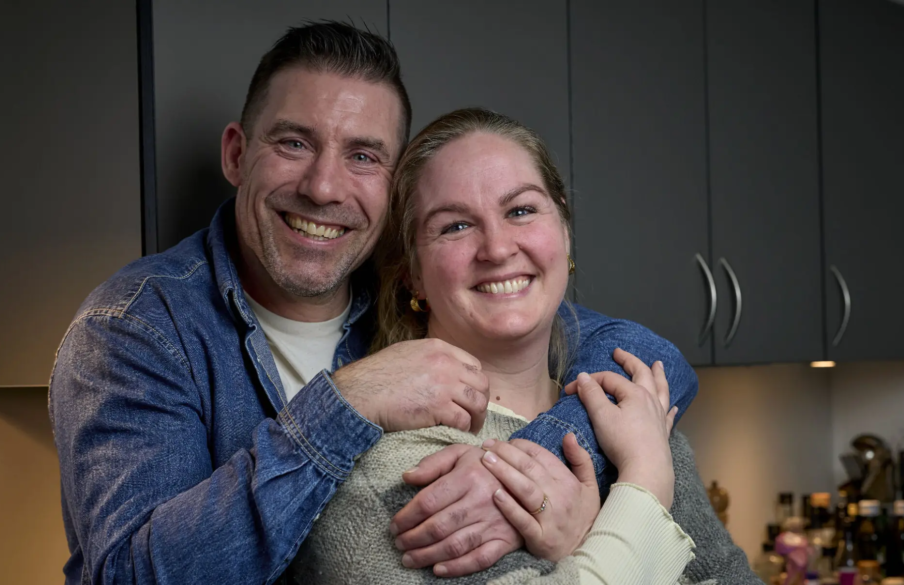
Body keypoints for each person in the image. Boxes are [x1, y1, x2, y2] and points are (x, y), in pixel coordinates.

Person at [48, 21, 753, 585]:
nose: (324, 187)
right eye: (293, 143)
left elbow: (643, 354)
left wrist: (522, 475)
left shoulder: (408, 297)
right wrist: (344, 404)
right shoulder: (134, 329)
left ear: (391, 190)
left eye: (363, 156)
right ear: (236, 154)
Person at [290, 107, 695, 584]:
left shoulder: (627, 410)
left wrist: (586, 540)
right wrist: (645, 480)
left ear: (564, 229)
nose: (498, 249)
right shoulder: (391, 474)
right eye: (455, 226)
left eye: (521, 211)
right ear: (412, 273)